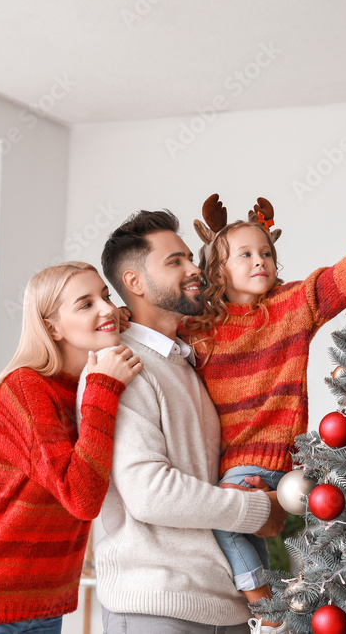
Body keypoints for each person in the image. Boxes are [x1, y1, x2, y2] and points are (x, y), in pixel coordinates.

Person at [180, 196, 346, 633]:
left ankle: (263, 603)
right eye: (245, 254)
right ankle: (280, 609)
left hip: (287, 465)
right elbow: (149, 323)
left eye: (266, 253)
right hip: (244, 468)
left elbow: (339, 280)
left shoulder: (292, 305)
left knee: (228, 522)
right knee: (247, 536)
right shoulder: (198, 328)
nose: (260, 261)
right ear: (217, 269)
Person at [88, 210, 288, 634]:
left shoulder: (190, 359)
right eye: (174, 262)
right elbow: (150, 494)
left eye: (189, 258)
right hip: (158, 608)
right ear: (134, 282)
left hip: (225, 609)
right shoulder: (119, 366)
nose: (195, 268)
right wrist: (258, 510)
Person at [0, 262, 142, 634]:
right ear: (51, 327)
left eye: (106, 296)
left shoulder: (83, 388)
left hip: (45, 605)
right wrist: (104, 389)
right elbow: (81, 497)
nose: (107, 308)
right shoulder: (27, 387)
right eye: (85, 304)